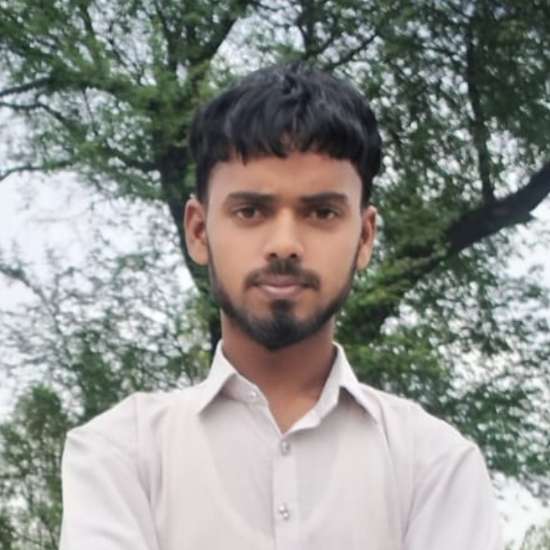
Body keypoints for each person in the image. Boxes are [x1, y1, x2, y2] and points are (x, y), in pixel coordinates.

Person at [59, 63, 504, 550]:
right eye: (250, 211)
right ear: (199, 231)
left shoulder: (436, 464)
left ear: (364, 237)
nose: (285, 244)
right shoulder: (120, 453)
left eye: (322, 212)